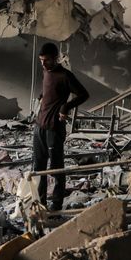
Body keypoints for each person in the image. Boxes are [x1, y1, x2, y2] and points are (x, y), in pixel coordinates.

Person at [33, 42, 89, 211]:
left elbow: (84, 94)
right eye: (41, 60)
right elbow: (50, 90)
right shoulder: (45, 71)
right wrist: (42, 96)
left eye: (47, 60)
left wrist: (66, 107)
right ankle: (40, 204)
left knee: (56, 168)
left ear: (55, 59)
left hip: (54, 128)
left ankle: (56, 205)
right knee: (38, 168)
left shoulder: (65, 76)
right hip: (40, 127)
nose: (43, 64)